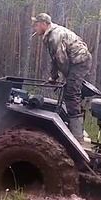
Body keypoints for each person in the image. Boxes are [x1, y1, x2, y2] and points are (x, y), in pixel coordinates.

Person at [32, 13, 92, 141]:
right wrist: (53, 77)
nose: (35, 28)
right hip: (75, 61)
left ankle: (77, 135)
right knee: (70, 91)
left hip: (80, 61)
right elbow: (55, 60)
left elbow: (61, 60)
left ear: (44, 24)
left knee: (70, 93)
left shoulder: (54, 36)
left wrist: (65, 77)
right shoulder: (50, 36)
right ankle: (75, 128)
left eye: (36, 25)